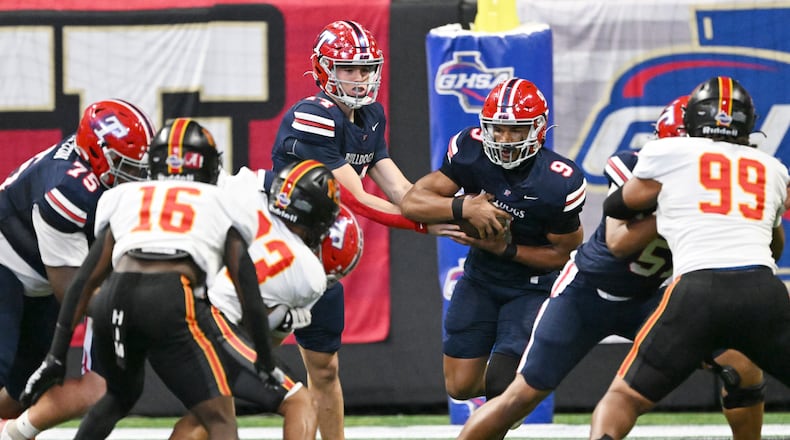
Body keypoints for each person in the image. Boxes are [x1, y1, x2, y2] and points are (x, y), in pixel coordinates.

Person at [456, 95, 767, 440]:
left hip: (651, 300)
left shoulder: (723, 188)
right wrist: (682, 203)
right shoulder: (634, 167)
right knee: (518, 397)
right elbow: (620, 243)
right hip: (587, 295)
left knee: (740, 364)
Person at [20, 118, 278, 439]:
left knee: (117, 396)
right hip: (170, 298)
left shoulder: (126, 195)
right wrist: (265, 361)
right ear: (209, 165)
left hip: (113, 299)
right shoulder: (220, 201)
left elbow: (84, 282)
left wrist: (56, 356)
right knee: (220, 417)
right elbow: (249, 294)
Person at [270, 20, 452, 439]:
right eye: (348, 68)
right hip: (273, 256)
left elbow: (401, 190)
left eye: (365, 68)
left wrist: (452, 211)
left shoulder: (371, 115)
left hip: (319, 258)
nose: (359, 77)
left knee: (326, 369)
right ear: (322, 69)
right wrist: (431, 227)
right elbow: (357, 199)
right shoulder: (311, 116)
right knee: (237, 359)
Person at [590, 76, 790, 440]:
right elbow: (775, 246)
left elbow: (618, 204)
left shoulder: (669, 153)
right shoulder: (771, 168)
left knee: (622, 399)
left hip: (697, 290)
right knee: (746, 377)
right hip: (763, 290)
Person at [400, 77, 587, 403]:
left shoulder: (558, 182)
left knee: (502, 387)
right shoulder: (471, 151)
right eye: (497, 129)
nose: (504, 139)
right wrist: (464, 206)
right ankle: (528, 382)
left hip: (532, 286)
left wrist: (507, 248)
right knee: (459, 387)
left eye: (516, 130)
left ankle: (519, 387)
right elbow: (412, 202)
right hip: (481, 278)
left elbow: (564, 254)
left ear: (538, 128)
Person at [169, 163, 359, 440]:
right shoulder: (308, 274)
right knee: (300, 404)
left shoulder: (249, 189)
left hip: (176, 293)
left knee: (210, 413)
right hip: (208, 319)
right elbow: (261, 340)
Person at [0, 99, 154, 438]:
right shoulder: (67, 190)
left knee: (23, 390)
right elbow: (71, 291)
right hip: (8, 260)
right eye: (126, 165)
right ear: (98, 155)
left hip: (42, 272)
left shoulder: (94, 173)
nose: (137, 175)